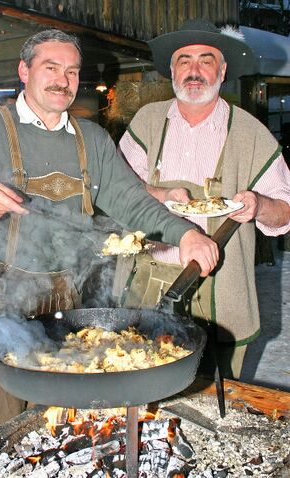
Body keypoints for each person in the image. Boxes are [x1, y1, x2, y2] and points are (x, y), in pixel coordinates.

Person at [0, 29, 219, 435]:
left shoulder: (92, 140)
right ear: (24, 70)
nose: (62, 80)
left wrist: (184, 234)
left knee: (65, 419)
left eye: (72, 71)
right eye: (50, 67)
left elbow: (133, 201)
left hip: (66, 299)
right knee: (4, 421)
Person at [117, 19, 290, 380]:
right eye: (184, 60)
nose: (194, 71)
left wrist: (259, 204)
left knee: (214, 400)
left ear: (222, 69)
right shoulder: (147, 122)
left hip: (222, 296)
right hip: (147, 286)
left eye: (205, 60)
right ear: (172, 69)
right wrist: (160, 193)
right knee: (141, 388)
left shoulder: (251, 134)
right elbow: (116, 191)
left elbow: (285, 212)